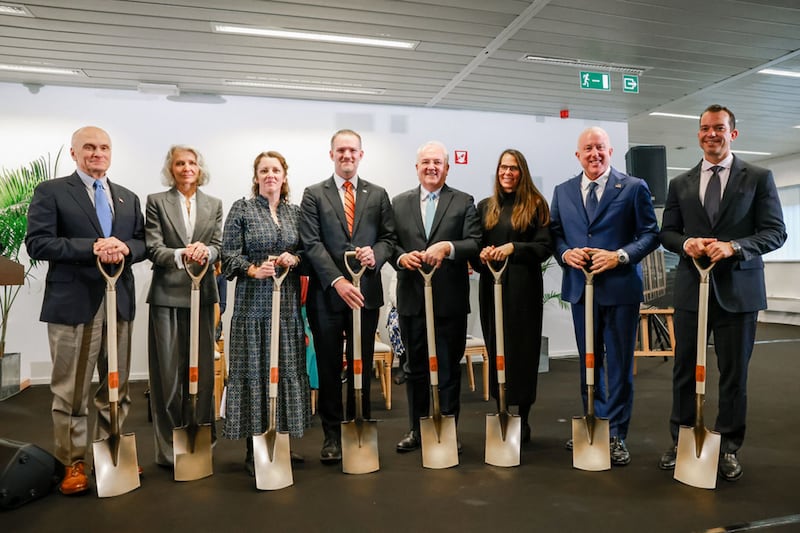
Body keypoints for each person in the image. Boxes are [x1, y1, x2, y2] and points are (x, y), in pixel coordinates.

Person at [658, 104, 786, 481]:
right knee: (684, 371)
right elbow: (667, 233)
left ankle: (728, 446)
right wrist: (687, 244)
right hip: (690, 292)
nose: (711, 134)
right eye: (704, 128)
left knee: (733, 375)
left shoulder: (758, 177)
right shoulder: (681, 183)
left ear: (733, 133)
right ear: (698, 134)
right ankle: (682, 439)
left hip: (739, 292)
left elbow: (776, 232)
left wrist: (735, 247)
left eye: (719, 128)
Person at [25, 126, 146, 495]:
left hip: (118, 303)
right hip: (74, 304)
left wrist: (124, 248)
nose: (97, 153)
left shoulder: (126, 197)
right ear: (74, 153)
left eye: (104, 147)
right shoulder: (52, 192)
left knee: (116, 387)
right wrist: (92, 247)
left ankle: (112, 453)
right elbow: (38, 243)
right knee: (71, 392)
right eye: (89, 147)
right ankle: (72, 461)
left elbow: (141, 242)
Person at [550, 127, 659, 466]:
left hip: (620, 289)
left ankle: (616, 435)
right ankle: (593, 425)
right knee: (589, 361)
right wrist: (565, 254)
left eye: (600, 147)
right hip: (581, 290)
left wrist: (620, 256)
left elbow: (650, 234)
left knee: (620, 365)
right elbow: (555, 233)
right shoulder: (563, 191)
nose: (594, 153)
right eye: (588, 148)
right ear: (578, 155)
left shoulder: (632, 187)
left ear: (610, 151)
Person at [299, 129, 396, 464]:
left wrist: (377, 254)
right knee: (328, 368)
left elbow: (389, 238)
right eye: (341, 151)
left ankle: (360, 427)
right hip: (328, 296)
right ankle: (332, 435)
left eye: (352, 151)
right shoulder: (313, 194)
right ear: (331, 155)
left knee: (361, 364)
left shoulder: (378, 194)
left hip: (366, 293)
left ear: (361, 154)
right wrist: (338, 280)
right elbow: (310, 244)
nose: (347, 156)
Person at [222, 151, 310, 475]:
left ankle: (281, 440)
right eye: (264, 170)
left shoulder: (295, 213)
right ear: (256, 176)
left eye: (275, 170)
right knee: (256, 372)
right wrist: (251, 269)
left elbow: (305, 251)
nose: (270, 175)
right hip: (251, 307)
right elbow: (227, 256)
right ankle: (253, 446)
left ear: (284, 176)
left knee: (285, 369)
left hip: (285, 306)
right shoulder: (242, 209)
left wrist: (293, 259)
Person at [392, 140, 482, 453]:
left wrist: (448, 247)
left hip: (449, 300)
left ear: (447, 167)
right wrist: (402, 258)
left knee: (448, 367)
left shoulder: (462, 201)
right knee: (414, 368)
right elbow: (390, 243)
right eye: (426, 162)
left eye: (438, 163)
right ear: (417, 167)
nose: (432, 167)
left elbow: (475, 243)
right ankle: (417, 429)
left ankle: (447, 428)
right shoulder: (399, 202)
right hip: (412, 299)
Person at [144, 145, 222, 468]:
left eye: (192, 163)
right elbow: (153, 248)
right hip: (166, 295)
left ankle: (202, 441)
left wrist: (207, 252)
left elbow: (218, 246)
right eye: (180, 163)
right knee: (167, 376)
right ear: (171, 169)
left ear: (199, 168)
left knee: (202, 373)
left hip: (202, 294)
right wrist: (181, 254)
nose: (187, 168)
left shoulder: (214, 204)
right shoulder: (156, 202)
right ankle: (167, 449)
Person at [475, 149, 553, 444]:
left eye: (514, 168)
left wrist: (513, 248)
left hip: (524, 290)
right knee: (497, 349)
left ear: (523, 172)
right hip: (491, 287)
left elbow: (545, 248)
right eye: (503, 168)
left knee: (523, 351)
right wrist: (481, 254)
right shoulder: (486, 206)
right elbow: (476, 246)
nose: (507, 173)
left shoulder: (535, 205)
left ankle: (524, 416)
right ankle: (502, 410)